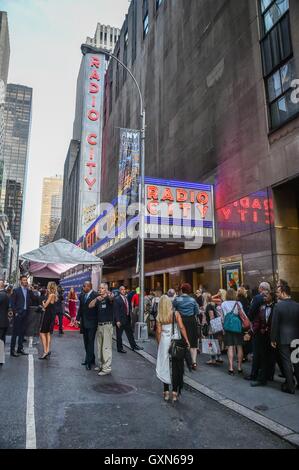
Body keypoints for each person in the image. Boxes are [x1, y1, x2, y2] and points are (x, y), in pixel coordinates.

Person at [156, 295, 190, 402]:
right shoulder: (175, 314)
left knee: (165, 365)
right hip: (176, 340)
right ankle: (175, 392)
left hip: (164, 341)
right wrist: (187, 340)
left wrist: (159, 344)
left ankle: (166, 392)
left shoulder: (159, 316)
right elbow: (181, 327)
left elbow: (158, 332)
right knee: (176, 366)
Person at [271, 281, 299, 394]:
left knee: (286, 362)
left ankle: (290, 386)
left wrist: (273, 339)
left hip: (283, 338)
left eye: (278, 292)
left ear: (283, 293)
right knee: (296, 361)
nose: (277, 294)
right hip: (296, 337)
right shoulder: (297, 305)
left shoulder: (278, 306)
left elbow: (275, 324)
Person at [244, 281, 271, 381]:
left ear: (261, 288)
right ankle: (268, 374)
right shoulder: (271, 298)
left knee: (257, 352)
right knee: (266, 353)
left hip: (258, 328)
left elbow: (251, 312)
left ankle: (254, 374)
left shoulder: (257, 298)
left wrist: (250, 321)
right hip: (268, 329)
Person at [249, 291, 276, 387]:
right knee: (263, 357)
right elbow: (258, 321)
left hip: (273, 336)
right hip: (263, 336)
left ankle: (270, 376)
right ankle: (262, 379)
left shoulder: (276, 307)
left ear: (272, 297)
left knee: (273, 358)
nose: (264, 297)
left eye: (267, 295)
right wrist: (251, 332)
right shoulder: (262, 307)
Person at [89, 283, 114, 376]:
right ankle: (101, 365)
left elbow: (112, 298)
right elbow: (90, 306)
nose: (100, 289)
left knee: (106, 347)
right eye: (99, 288)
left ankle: (107, 368)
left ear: (106, 289)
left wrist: (108, 294)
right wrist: (96, 299)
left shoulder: (109, 298)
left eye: (102, 288)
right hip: (99, 325)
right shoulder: (98, 299)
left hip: (107, 325)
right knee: (100, 347)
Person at [173, 283, 199, 370]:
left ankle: (182, 360)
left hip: (180, 320)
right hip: (191, 321)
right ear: (189, 290)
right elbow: (197, 311)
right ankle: (194, 362)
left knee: (181, 340)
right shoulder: (193, 300)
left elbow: (173, 309)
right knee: (193, 342)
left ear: (181, 290)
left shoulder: (177, 299)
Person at [221, 288, 246, 375]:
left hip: (228, 327)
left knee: (230, 347)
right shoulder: (238, 303)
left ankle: (231, 368)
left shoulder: (223, 304)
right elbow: (243, 315)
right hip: (238, 327)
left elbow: (223, 317)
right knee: (239, 347)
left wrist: (223, 327)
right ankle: (239, 367)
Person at [114, 286, 143, 354]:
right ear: (119, 291)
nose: (123, 291)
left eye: (124, 289)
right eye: (122, 289)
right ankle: (120, 348)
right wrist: (117, 320)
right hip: (120, 320)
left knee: (130, 333)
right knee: (119, 335)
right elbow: (116, 311)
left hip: (127, 319)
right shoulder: (117, 299)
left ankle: (134, 346)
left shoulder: (126, 298)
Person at [76, 281, 98, 370]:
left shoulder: (96, 295)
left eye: (84, 286)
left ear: (88, 286)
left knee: (90, 342)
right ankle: (91, 358)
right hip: (84, 322)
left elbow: (98, 310)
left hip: (92, 323)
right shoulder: (82, 295)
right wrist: (77, 319)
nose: (82, 288)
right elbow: (81, 308)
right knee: (86, 342)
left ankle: (88, 362)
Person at [10, 275, 31, 357]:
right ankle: (12, 351)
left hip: (25, 313)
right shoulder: (16, 290)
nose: (25, 281)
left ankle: (20, 349)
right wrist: (16, 312)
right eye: (24, 280)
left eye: (26, 280)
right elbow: (12, 303)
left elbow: (33, 299)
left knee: (22, 332)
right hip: (18, 314)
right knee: (15, 333)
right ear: (20, 281)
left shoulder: (28, 291)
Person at [202, 292, 223, 365]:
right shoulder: (212, 305)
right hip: (216, 325)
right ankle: (219, 357)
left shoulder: (208, 306)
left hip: (212, 326)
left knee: (211, 342)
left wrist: (211, 327)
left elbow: (211, 316)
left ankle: (213, 359)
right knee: (216, 342)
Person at [39, 282, 58, 360]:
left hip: (48, 316)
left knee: (42, 332)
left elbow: (45, 305)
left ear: (50, 287)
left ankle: (45, 351)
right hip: (50, 315)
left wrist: (43, 302)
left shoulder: (51, 295)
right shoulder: (53, 295)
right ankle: (47, 350)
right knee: (47, 333)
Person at [0, 281, 10, 366]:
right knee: (2, 341)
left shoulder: (2, 295)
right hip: (3, 321)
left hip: (1, 322)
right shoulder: (5, 294)